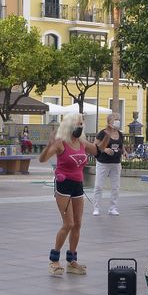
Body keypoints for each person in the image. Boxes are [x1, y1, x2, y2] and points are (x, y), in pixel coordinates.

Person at [38, 114, 97, 275]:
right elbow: (42, 159)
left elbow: (97, 150)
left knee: (77, 223)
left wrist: (106, 139)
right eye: (78, 125)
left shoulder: (82, 142)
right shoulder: (60, 144)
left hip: (78, 185)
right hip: (63, 185)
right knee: (68, 223)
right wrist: (48, 145)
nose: (80, 127)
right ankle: (54, 260)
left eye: (81, 125)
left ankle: (72, 261)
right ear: (69, 126)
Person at [92, 113, 124, 215]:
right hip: (103, 163)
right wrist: (105, 149)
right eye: (115, 119)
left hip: (116, 163)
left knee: (116, 187)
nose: (117, 121)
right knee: (99, 186)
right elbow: (95, 145)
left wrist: (124, 151)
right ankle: (96, 208)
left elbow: (120, 145)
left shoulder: (120, 133)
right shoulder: (103, 133)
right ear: (109, 121)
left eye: (118, 119)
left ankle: (113, 208)